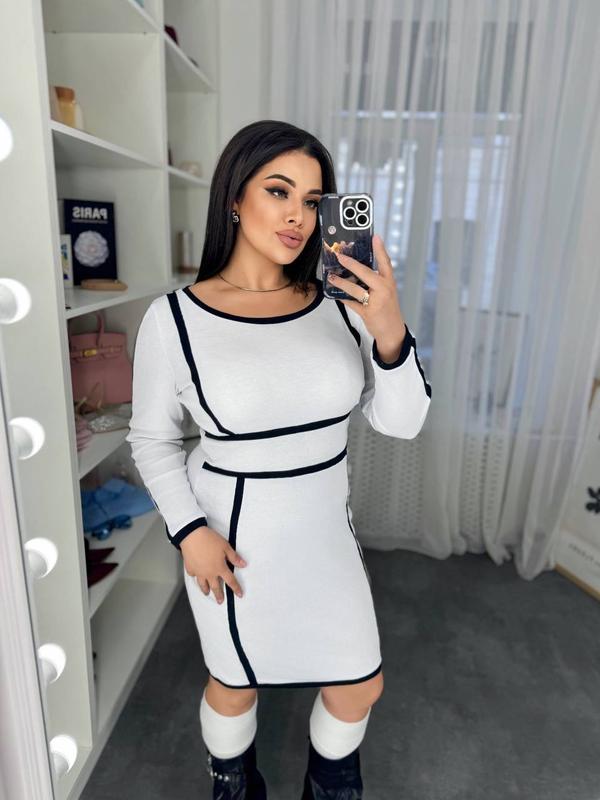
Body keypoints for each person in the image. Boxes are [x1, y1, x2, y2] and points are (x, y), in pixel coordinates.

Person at [126, 119, 432, 799]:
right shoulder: (173, 319)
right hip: (231, 538)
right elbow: (152, 439)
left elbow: (403, 423)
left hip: (325, 532)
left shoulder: (343, 307)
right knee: (236, 685)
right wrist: (189, 533)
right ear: (235, 196)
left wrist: (389, 329)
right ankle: (233, 784)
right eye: (279, 191)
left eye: (314, 201)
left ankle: (331, 784)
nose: (299, 215)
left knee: (359, 684)